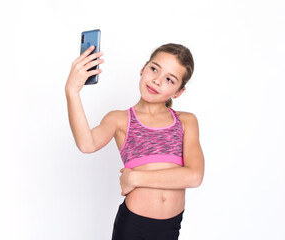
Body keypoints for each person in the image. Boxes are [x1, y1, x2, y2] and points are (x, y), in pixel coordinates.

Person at [65, 43, 204, 240]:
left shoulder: (186, 121)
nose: (156, 80)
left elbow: (194, 176)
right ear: (143, 69)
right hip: (132, 227)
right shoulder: (120, 119)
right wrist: (72, 91)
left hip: (170, 228)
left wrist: (135, 178)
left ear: (178, 92)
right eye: (154, 69)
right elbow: (86, 144)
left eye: (169, 80)